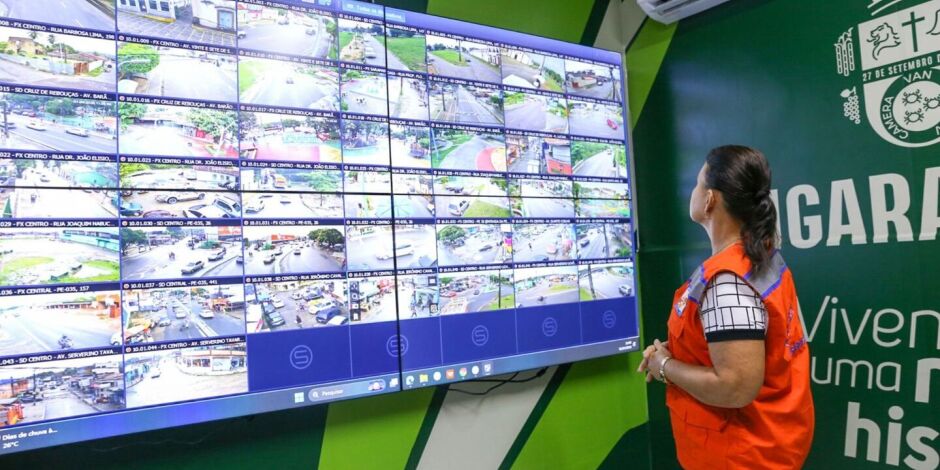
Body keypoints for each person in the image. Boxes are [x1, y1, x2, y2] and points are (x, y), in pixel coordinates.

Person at [637, 145, 814, 469]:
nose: (692, 192)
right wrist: (679, 352)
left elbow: (734, 388)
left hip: (738, 455)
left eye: (697, 183)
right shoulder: (755, 258)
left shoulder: (728, 282)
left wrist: (664, 366)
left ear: (709, 200)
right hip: (767, 444)